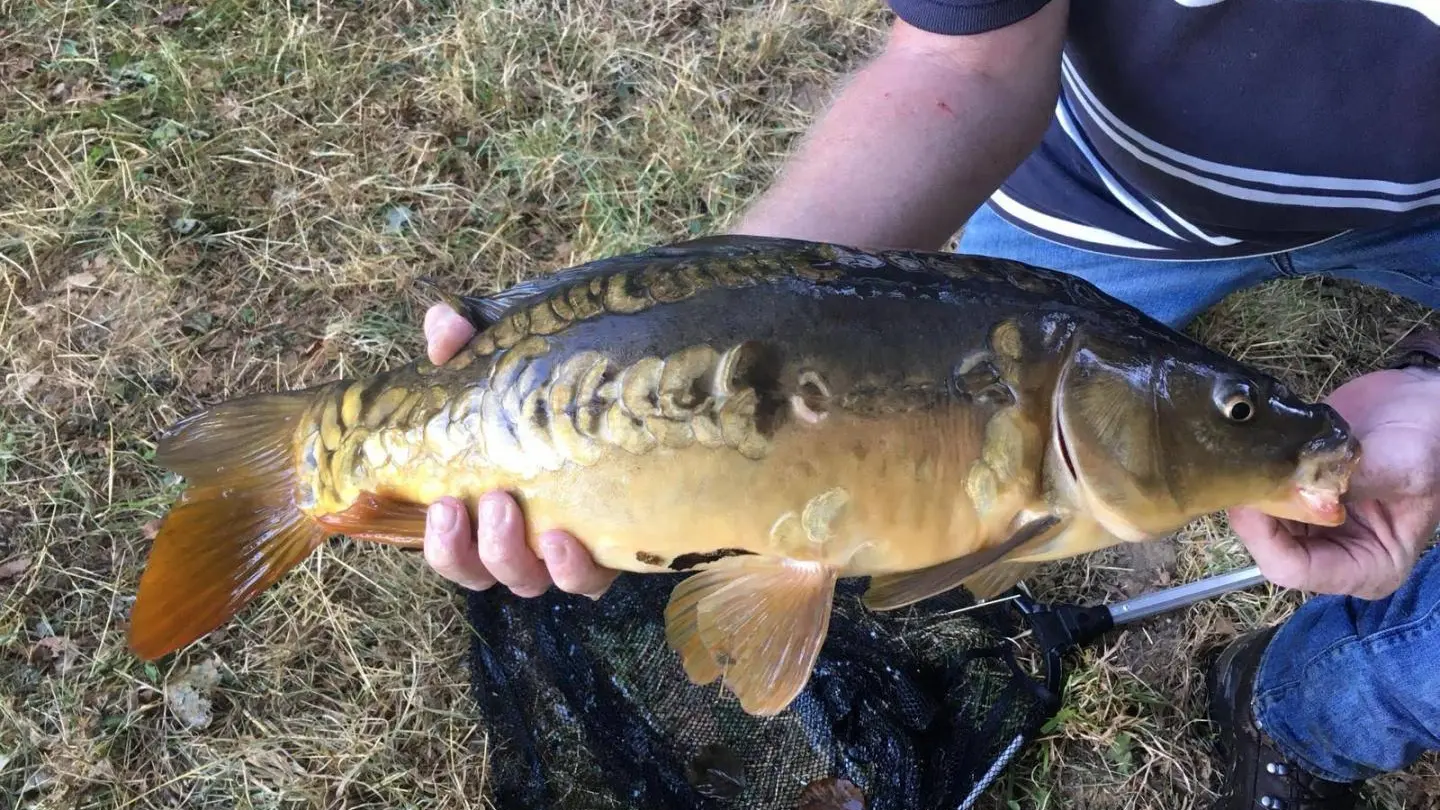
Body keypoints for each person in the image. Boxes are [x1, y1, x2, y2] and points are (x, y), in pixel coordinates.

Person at [418, 2, 1440, 807]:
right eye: (1242, 413)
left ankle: (1312, 707)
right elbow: (961, 60)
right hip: (1107, 209)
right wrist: (711, 324)